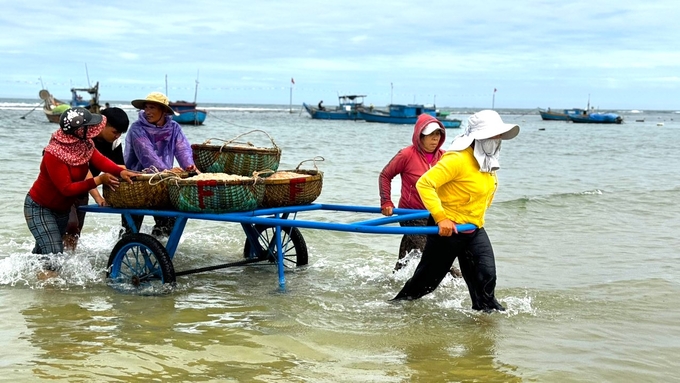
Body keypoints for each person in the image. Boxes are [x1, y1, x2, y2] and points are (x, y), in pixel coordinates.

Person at [392, 110, 520, 313]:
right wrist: (441, 217)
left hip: (473, 228)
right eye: (492, 135)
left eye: (498, 136)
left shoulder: (487, 161)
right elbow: (425, 183)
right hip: (448, 232)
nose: (497, 140)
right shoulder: (457, 159)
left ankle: (487, 318)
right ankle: (394, 308)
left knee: (486, 277)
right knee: (425, 283)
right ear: (478, 137)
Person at [24, 107, 135, 278]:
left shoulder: (85, 144)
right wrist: (98, 181)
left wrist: (121, 172)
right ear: (78, 130)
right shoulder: (53, 153)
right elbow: (66, 189)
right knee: (54, 253)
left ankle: (29, 284)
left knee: (43, 254)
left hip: (61, 210)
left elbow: (102, 161)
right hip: (40, 208)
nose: (94, 129)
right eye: (89, 126)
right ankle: (50, 299)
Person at [379, 114, 462, 277]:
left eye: (438, 134)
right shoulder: (406, 155)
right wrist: (386, 201)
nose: (434, 139)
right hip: (410, 214)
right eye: (430, 135)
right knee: (435, 255)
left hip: (435, 213)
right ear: (419, 136)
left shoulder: (444, 157)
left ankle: (393, 281)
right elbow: (385, 175)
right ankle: (456, 279)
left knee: (406, 258)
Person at [124, 92, 197, 237]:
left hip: (162, 182)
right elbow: (147, 155)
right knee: (131, 231)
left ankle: (158, 251)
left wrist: (189, 167)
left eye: (152, 108)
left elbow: (182, 148)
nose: (148, 112)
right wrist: (169, 172)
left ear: (163, 111)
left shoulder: (174, 127)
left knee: (166, 229)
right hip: (137, 182)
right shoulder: (137, 128)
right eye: (146, 108)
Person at [63, 107, 130, 250]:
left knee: (75, 233)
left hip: (83, 190)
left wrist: (139, 175)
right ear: (102, 124)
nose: (117, 136)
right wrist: (98, 197)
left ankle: (67, 262)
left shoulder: (114, 143)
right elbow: (83, 170)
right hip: (65, 187)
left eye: (120, 133)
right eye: (115, 132)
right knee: (70, 225)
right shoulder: (84, 137)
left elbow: (119, 168)